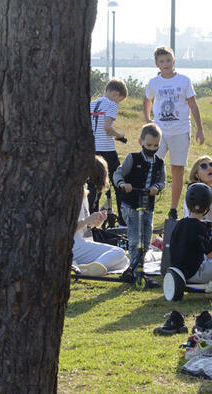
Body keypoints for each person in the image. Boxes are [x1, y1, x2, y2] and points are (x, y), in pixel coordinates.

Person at [144, 46, 205, 221]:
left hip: (180, 130)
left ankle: (173, 209)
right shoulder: (153, 82)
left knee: (177, 169)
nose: (166, 64)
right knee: (153, 166)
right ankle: (149, 203)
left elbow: (193, 105)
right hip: (159, 131)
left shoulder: (184, 81)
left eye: (168, 60)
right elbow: (147, 99)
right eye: (162, 61)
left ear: (174, 61)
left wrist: (200, 129)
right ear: (157, 64)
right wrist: (148, 119)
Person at [113, 123, 166, 279]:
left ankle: (138, 267)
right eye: (148, 144)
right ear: (141, 142)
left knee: (146, 238)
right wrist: (123, 184)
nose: (152, 148)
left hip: (147, 205)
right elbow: (118, 174)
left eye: (156, 145)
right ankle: (135, 270)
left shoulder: (159, 163)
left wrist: (157, 187)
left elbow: (162, 181)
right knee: (136, 238)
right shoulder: (132, 158)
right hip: (131, 204)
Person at [169, 183, 212, 285]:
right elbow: (211, 254)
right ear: (207, 208)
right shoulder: (199, 227)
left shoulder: (180, 223)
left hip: (177, 273)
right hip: (195, 275)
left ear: (188, 204)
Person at [73, 156, 128, 276]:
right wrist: (88, 219)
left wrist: (95, 223)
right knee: (118, 252)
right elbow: (64, 229)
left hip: (81, 242)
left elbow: (84, 230)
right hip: (72, 245)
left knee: (124, 261)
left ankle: (83, 266)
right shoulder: (70, 194)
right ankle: (84, 269)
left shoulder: (84, 193)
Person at [89, 78, 128, 218]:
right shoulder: (112, 104)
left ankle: (91, 219)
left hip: (92, 149)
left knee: (94, 184)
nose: (118, 103)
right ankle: (123, 219)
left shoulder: (91, 104)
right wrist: (119, 135)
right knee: (118, 182)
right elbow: (107, 127)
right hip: (107, 150)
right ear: (116, 94)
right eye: (119, 100)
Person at [184, 156, 212, 254]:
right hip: (202, 239)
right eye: (204, 166)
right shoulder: (192, 193)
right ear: (196, 175)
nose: (210, 168)